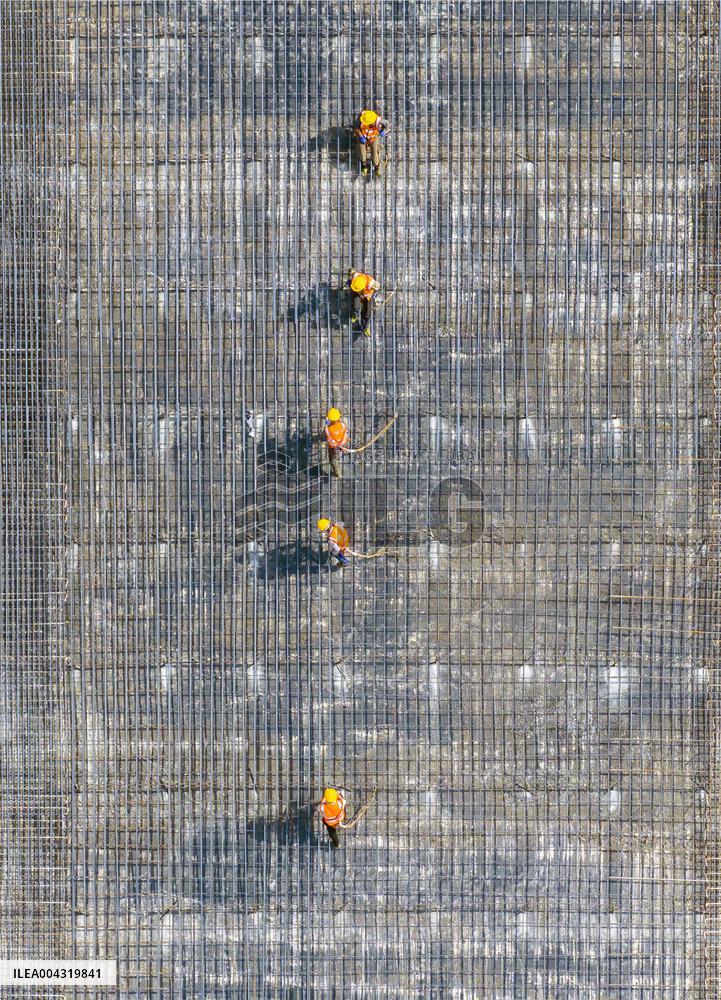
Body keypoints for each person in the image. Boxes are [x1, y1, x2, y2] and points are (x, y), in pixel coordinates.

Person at [354, 109, 389, 177]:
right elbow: (356, 128)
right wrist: (361, 136)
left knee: (375, 151)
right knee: (362, 151)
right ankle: (364, 166)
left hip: (373, 137)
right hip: (362, 136)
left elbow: (386, 124)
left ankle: (377, 168)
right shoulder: (362, 117)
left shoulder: (378, 120)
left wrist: (382, 130)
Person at [347, 268, 380, 336]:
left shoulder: (371, 286)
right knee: (355, 304)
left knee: (367, 311)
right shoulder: (356, 278)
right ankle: (355, 313)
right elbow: (351, 272)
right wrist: (359, 294)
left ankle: (365, 327)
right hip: (359, 290)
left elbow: (368, 293)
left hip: (367, 294)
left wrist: (363, 296)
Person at [324, 407, 350, 478]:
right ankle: (343, 449)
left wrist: (327, 424)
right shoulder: (343, 425)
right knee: (338, 452)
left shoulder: (327, 429)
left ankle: (337, 473)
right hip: (342, 443)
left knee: (332, 460)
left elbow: (327, 437)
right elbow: (346, 433)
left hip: (333, 447)